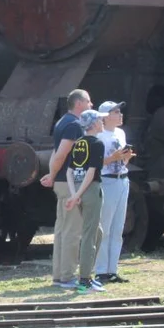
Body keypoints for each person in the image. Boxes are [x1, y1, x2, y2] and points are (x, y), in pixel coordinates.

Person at [39, 89, 92, 289]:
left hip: (61, 182)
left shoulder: (62, 122)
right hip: (70, 183)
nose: (91, 105)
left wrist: (53, 175)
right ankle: (68, 276)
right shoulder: (75, 125)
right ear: (79, 103)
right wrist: (52, 175)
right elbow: (61, 153)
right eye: (88, 101)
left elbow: (55, 152)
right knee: (72, 231)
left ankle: (59, 275)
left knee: (62, 230)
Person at [65, 109, 108, 294]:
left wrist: (74, 194)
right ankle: (84, 281)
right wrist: (78, 194)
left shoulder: (78, 143)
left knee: (97, 232)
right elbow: (91, 172)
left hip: (79, 190)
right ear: (93, 124)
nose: (102, 122)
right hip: (90, 190)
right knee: (90, 235)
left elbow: (69, 171)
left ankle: (87, 275)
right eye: (100, 120)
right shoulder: (97, 143)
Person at [95, 101, 135, 284]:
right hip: (107, 181)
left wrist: (125, 158)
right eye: (116, 112)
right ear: (105, 117)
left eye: (120, 111)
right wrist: (114, 157)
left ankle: (112, 269)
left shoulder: (120, 133)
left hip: (122, 179)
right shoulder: (98, 135)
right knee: (105, 228)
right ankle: (101, 270)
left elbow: (121, 161)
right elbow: (95, 163)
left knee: (118, 228)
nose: (120, 115)